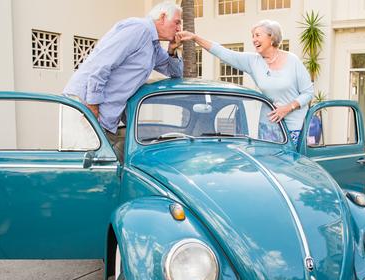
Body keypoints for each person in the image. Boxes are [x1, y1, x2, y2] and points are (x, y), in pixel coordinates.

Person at [63, 1, 184, 161]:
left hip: (103, 113)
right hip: (86, 105)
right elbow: (102, 64)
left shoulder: (154, 45)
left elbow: (175, 73)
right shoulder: (138, 30)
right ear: (162, 17)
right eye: (176, 22)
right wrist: (92, 106)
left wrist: (172, 50)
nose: (179, 29)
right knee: (87, 171)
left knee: (102, 170)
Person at [178, 20, 314, 146]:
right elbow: (223, 52)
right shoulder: (252, 61)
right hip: (269, 125)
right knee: (270, 163)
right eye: (253, 36)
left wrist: (288, 108)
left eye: (257, 35)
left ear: (271, 37)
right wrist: (195, 38)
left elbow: (308, 93)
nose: (254, 40)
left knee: (290, 165)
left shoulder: (292, 61)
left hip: (294, 126)